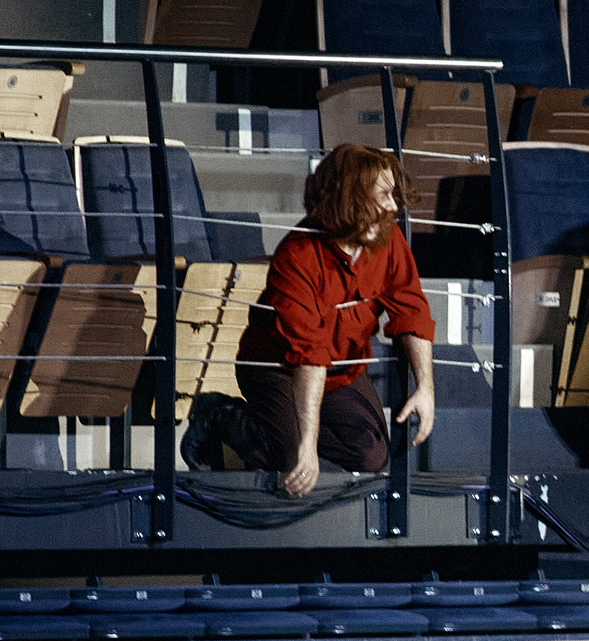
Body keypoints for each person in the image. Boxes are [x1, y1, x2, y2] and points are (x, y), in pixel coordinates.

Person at [183, 143, 437, 497]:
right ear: (351, 198)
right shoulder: (298, 255)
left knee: (371, 455)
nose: (394, 207)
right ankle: (222, 417)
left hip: (340, 368)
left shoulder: (388, 238)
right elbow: (308, 353)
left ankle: (277, 439)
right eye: (384, 196)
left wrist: (425, 387)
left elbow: (411, 310)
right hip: (277, 368)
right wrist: (306, 445)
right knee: (292, 462)